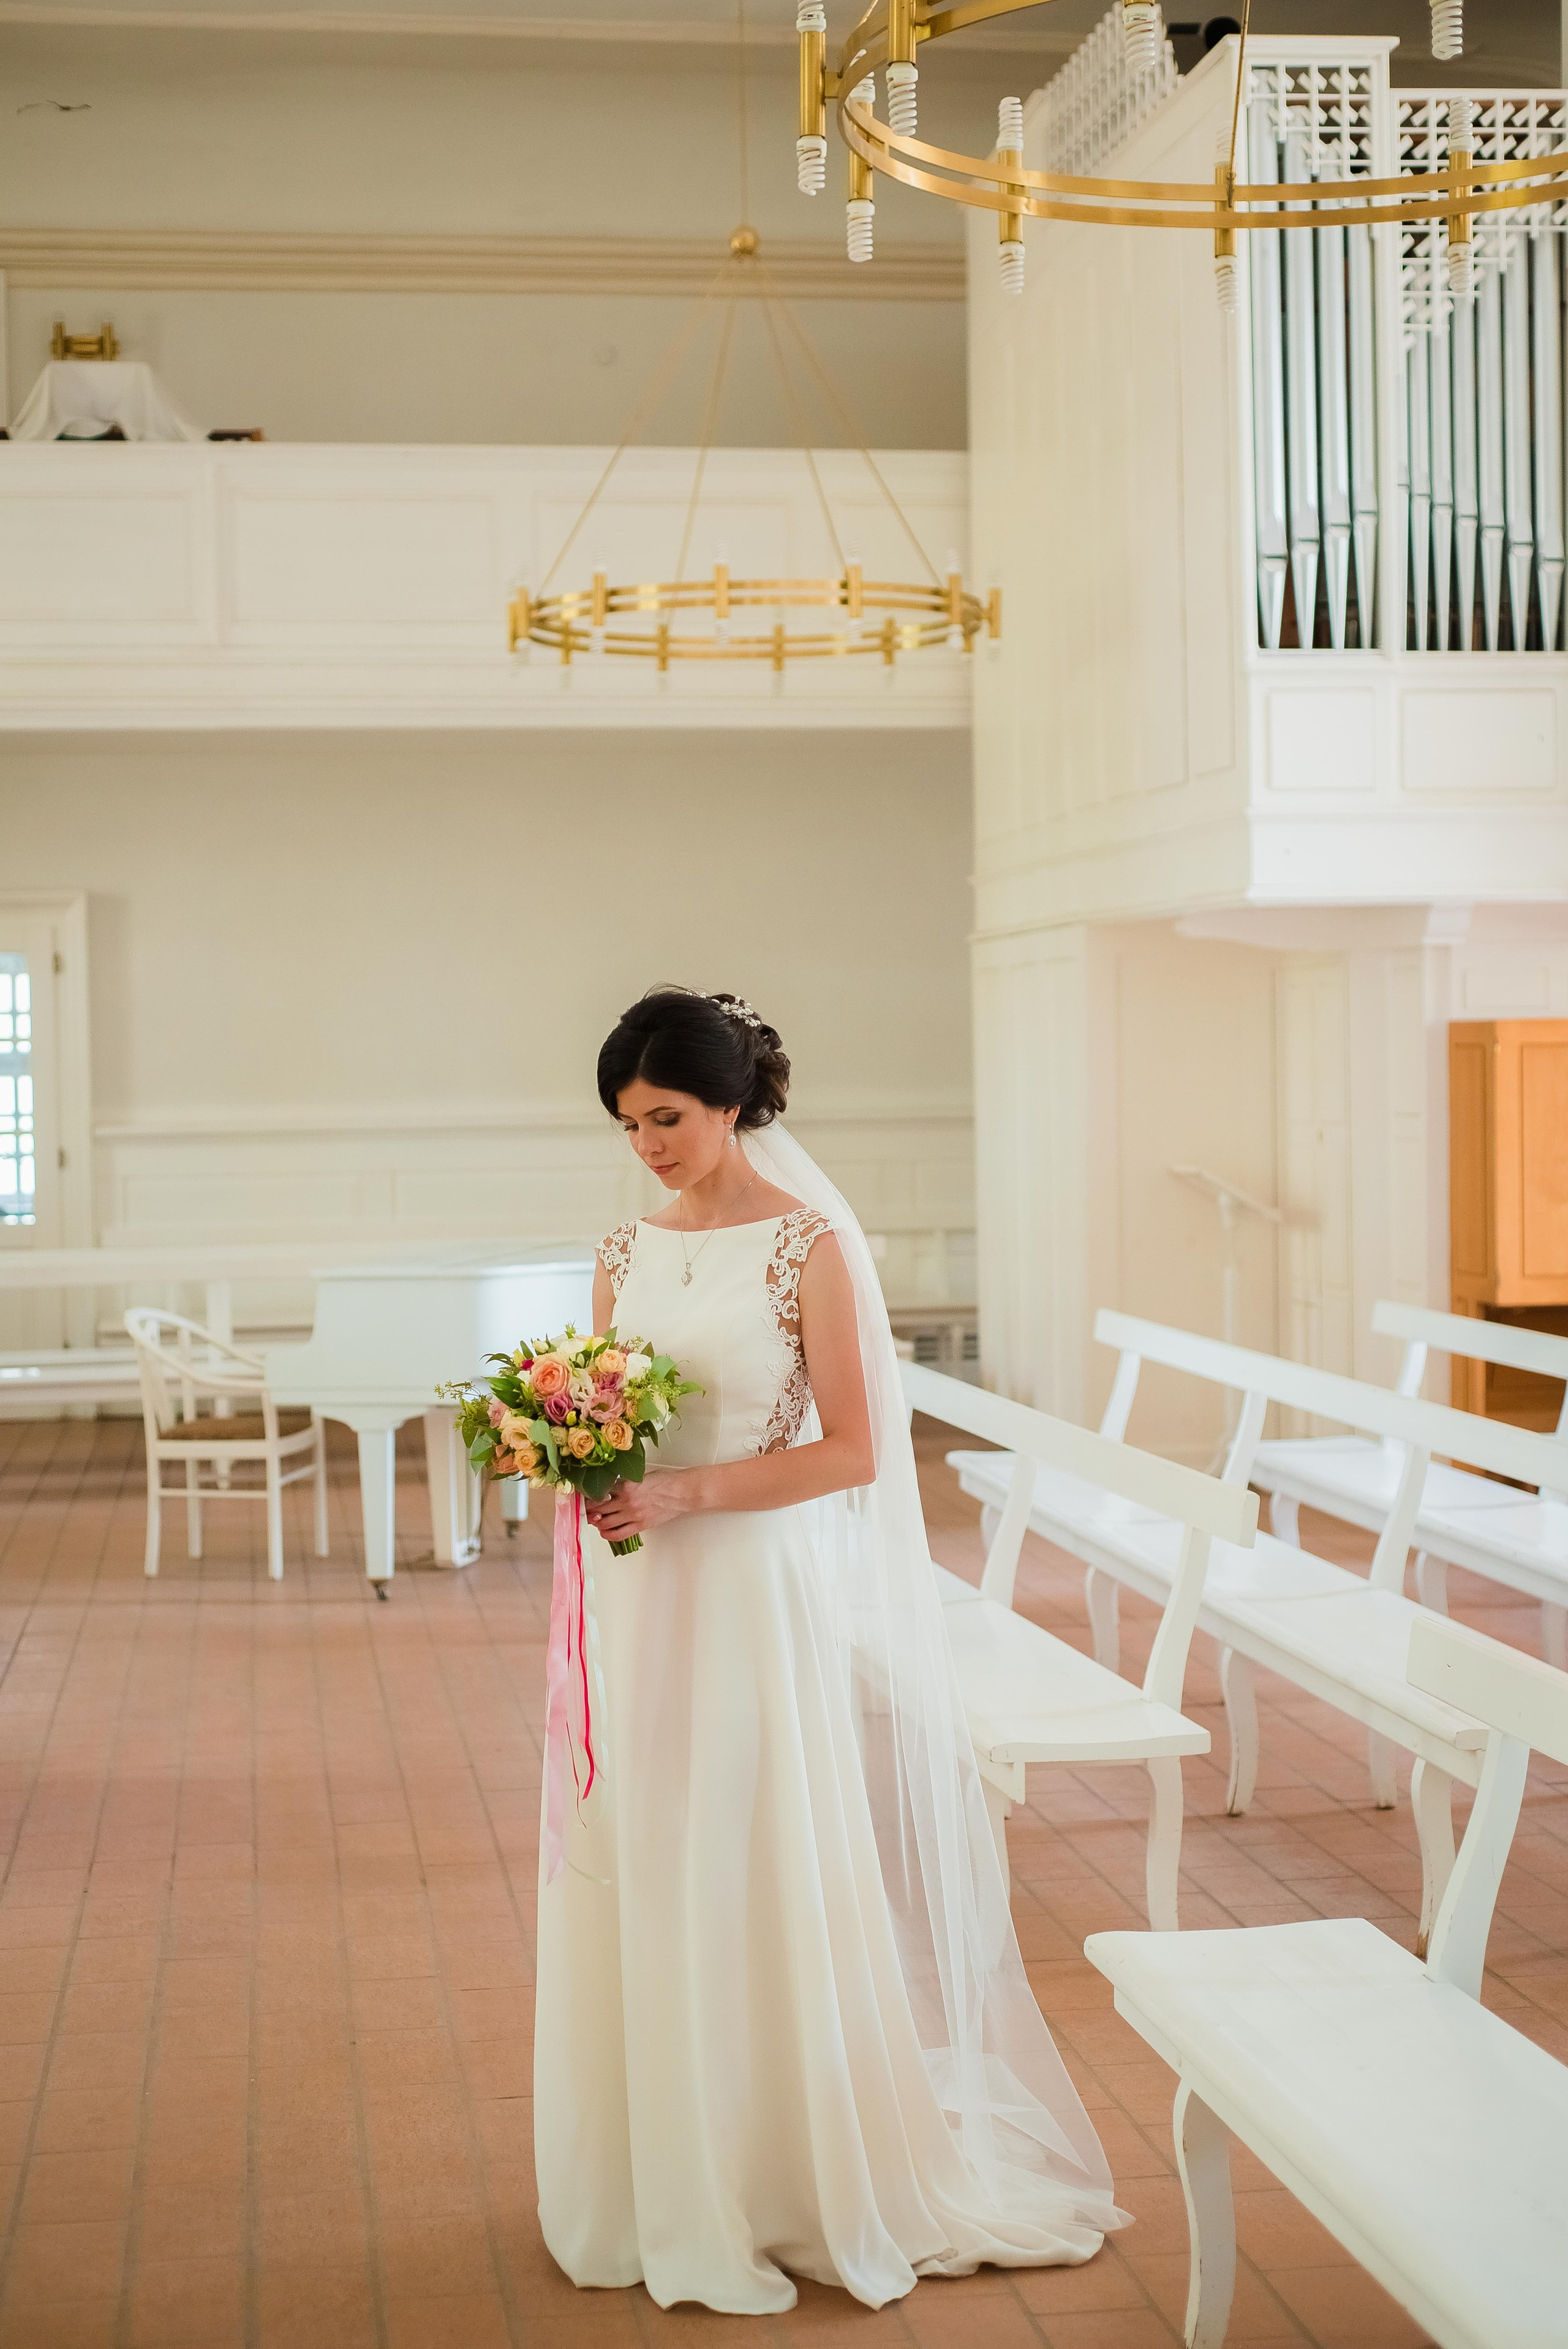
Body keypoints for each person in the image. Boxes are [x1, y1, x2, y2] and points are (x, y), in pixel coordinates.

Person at [533, 986, 1124, 2314]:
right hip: (639, 1591)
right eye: (628, 1125)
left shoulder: (809, 1246)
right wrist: (572, 1456)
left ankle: (778, 2172)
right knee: (652, 1846)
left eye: (666, 1118)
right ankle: (655, 2172)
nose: (647, 1146)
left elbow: (855, 1451)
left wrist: (685, 1493)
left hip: (747, 1586)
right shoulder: (622, 1250)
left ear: (731, 1103)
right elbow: (601, 1407)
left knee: (748, 1850)